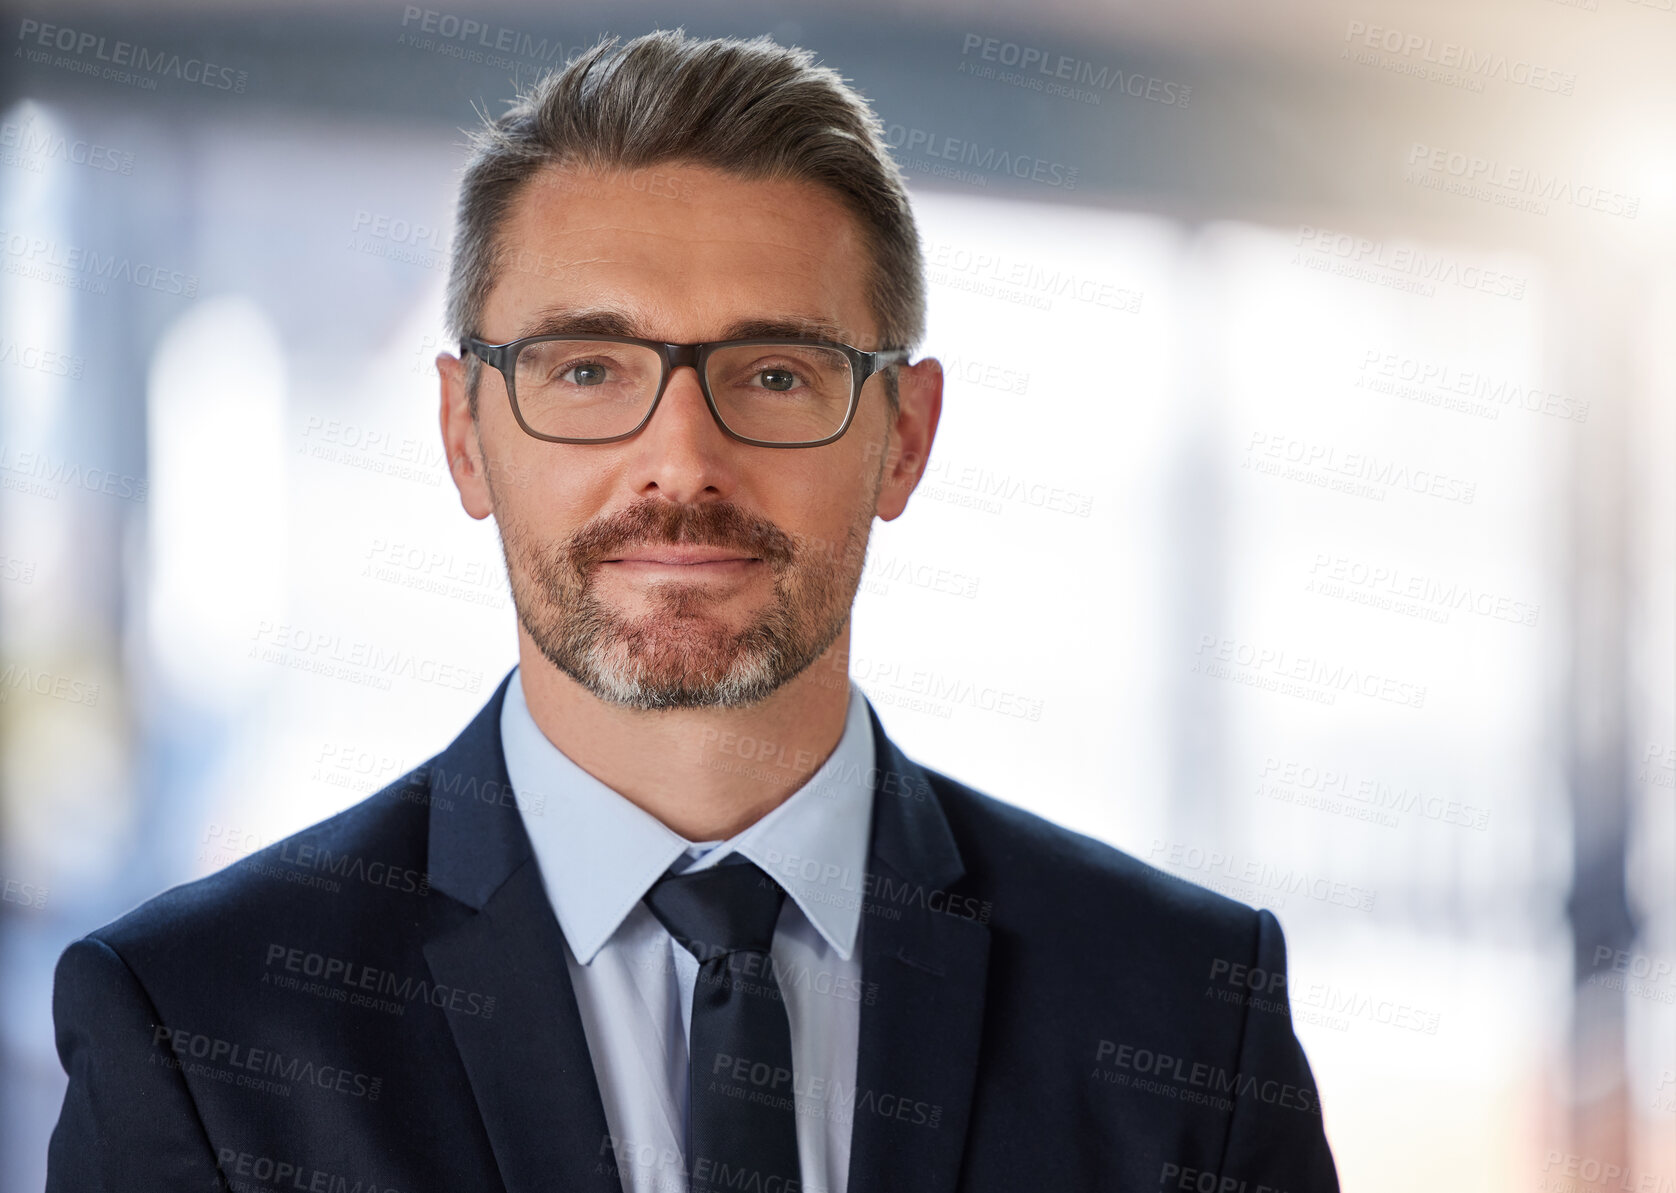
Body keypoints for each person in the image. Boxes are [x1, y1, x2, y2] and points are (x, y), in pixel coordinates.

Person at [46, 28, 1339, 1193]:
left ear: (905, 435)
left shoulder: (1186, 1022)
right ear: (463, 433)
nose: (680, 460)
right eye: (589, 367)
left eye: (774, 372)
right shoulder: (199, 1029)